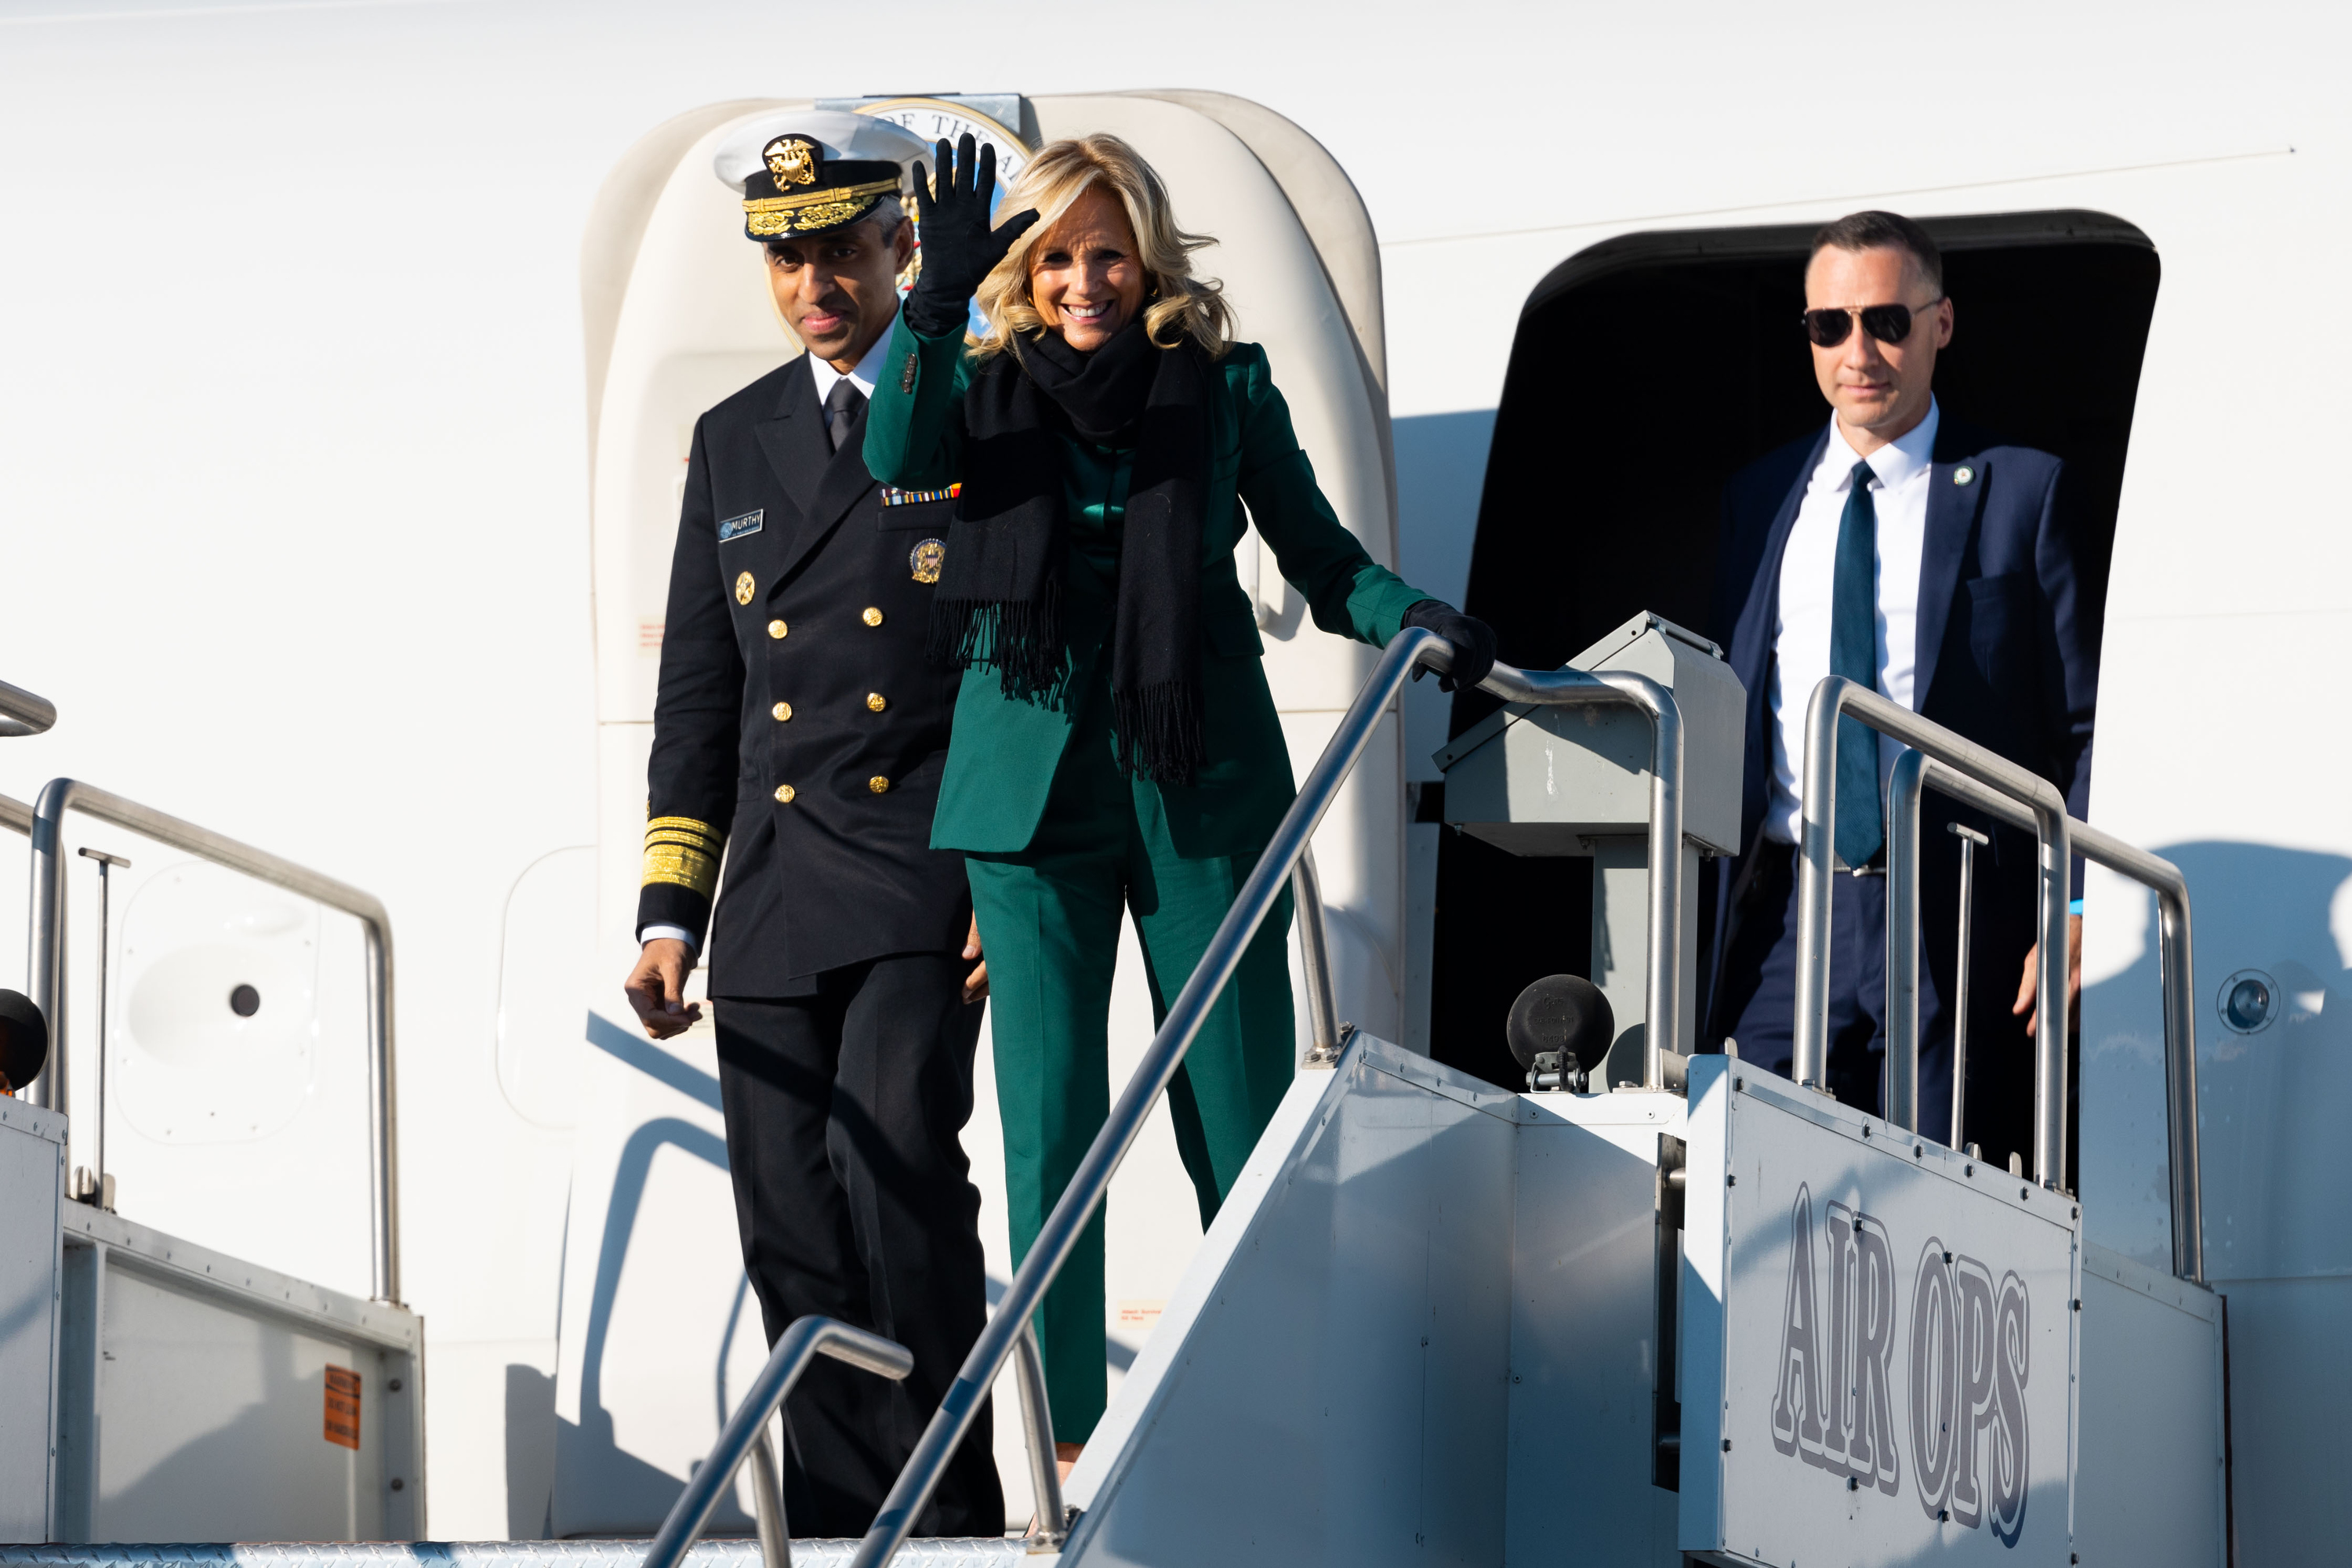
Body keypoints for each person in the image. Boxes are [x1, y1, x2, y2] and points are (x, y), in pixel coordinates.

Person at [863, 133, 1497, 1462]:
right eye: (1054, 258)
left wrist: (1414, 617)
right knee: (1052, 1128)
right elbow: (891, 453)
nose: (1083, 280)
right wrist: (931, 300)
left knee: (1242, 1106)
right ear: (1021, 270)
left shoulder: (1222, 389)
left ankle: (1264, 1409)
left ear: (1147, 255)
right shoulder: (969, 389)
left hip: (1196, 774)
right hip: (1031, 799)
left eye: (1106, 252)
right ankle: (1076, 1442)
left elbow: (1321, 559)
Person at [619, 111, 1002, 1538]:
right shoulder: (735, 440)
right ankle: (848, 1527)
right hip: (774, 894)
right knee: (788, 1221)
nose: (812, 286)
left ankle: (952, 1515)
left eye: (838, 251)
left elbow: (1005, 660)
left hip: (919, 878)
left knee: (895, 1175)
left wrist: (984, 875)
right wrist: (671, 916)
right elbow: (701, 700)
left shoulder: (970, 396)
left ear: (901, 246)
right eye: (786, 261)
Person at [1705, 210, 2096, 1174]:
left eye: (1885, 319)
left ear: (1941, 323)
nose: (1859, 351)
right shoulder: (1760, 501)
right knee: (1750, 1176)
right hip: (1789, 911)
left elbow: (2082, 728)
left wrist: (2075, 911)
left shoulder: (2021, 489)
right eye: (1829, 326)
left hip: (1954, 915)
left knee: (1930, 1201)